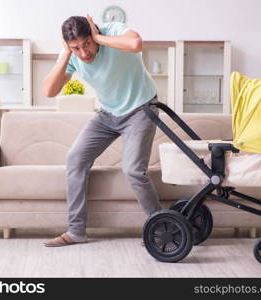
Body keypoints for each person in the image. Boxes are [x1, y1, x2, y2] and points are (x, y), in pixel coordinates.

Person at [43, 15, 162, 247]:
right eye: (76, 47)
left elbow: (136, 44)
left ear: (94, 34)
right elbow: (49, 91)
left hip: (141, 109)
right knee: (75, 158)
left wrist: (99, 37)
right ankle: (76, 231)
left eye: (86, 44)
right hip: (108, 115)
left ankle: (161, 226)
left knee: (133, 171)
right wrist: (67, 54)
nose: (84, 53)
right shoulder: (73, 56)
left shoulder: (112, 31)